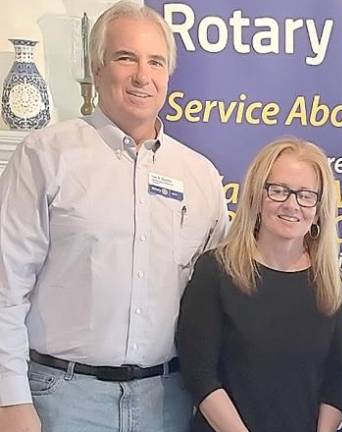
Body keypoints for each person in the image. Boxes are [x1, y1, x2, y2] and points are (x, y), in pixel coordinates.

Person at [0, 2, 229, 431]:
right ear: (97, 67)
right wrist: (8, 398)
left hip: (169, 403)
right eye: (126, 58)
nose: (143, 76)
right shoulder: (46, 156)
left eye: (156, 62)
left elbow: (218, 301)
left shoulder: (201, 177)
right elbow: (5, 287)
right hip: (62, 401)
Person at [175, 137, 342, 432]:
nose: (292, 204)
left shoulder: (330, 283)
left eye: (306, 195)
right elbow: (199, 373)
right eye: (279, 190)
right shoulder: (216, 270)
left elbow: (338, 379)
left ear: (320, 208)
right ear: (257, 196)